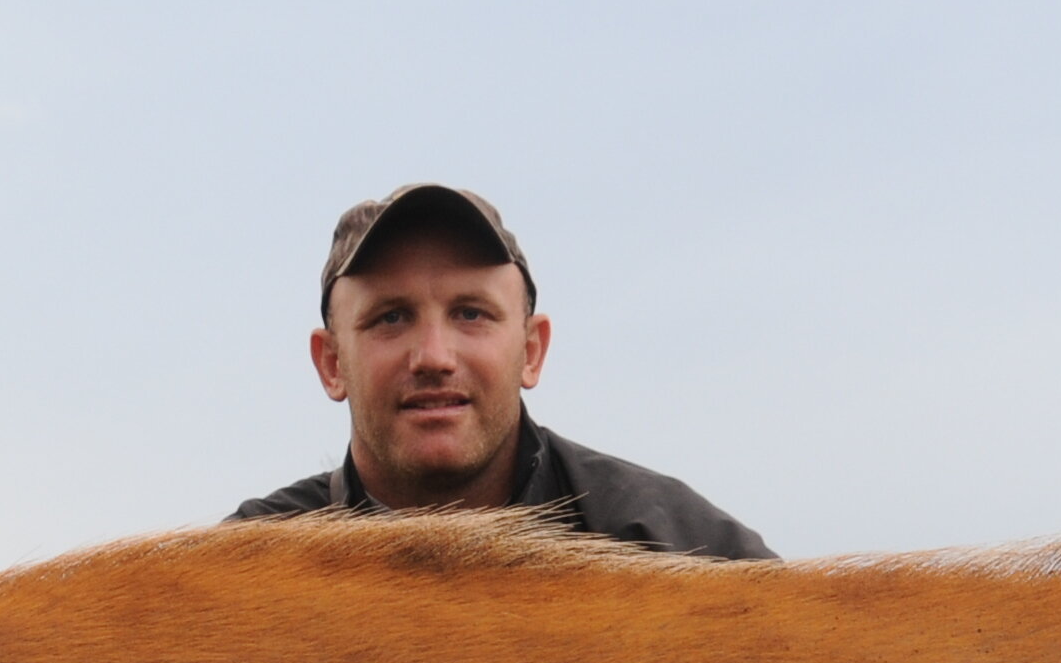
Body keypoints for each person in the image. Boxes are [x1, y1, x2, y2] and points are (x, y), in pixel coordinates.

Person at [228, 182, 774, 559]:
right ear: (331, 364)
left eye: (472, 314)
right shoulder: (241, 570)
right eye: (391, 318)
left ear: (532, 350)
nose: (435, 357)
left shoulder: (673, 546)